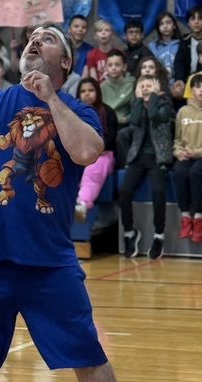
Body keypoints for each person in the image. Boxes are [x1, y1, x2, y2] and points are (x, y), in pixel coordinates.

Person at [0, 23, 117, 382]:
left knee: (88, 355)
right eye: (32, 36)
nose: (34, 40)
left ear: (64, 62)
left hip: (48, 261)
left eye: (47, 39)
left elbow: (86, 151)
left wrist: (51, 100)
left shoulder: (79, 111)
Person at [119, 74, 175, 260]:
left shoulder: (164, 105)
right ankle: (129, 232)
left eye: (149, 85)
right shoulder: (137, 105)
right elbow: (134, 120)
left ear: (158, 88)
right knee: (124, 191)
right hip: (137, 157)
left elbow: (153, 115)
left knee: (158, 191)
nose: (144, 88)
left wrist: (154, 97)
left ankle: (159, 235)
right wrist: (137, 101)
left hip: (158, 157)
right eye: (141, 85)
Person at [74, 78, 118, 222]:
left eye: (91, 90)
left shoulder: (108, 112)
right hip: (77, 153)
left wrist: (96, 149)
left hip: (103, 155)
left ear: (98, 93)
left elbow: (111, 139)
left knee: (93, 169)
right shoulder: (72, 113)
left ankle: (82, 204)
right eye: (83, 91)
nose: (87, 94)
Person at [173, 72, 202, 242]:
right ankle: (185, 217)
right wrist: (178, 152)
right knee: (179, 173)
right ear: (191, 90)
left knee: (195, 173)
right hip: (187, 155)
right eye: (198, 87)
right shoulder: (183, 112)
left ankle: (198, 218)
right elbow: (177, 139)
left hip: (199, 155)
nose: (201, 90)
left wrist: (197, 152)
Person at [148, 11, 189, 97]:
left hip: (179, 84)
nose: (165, 26)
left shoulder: (182, 43)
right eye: (161, 24)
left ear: (174, 25)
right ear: (158, 27)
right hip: (160, 85)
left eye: (168, 23)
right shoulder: (152, 46)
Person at [100, 49, 134, 126]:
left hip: (125, 125)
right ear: (105, 67)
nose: (113, 68)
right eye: (110, 65)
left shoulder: (131, 85)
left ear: (124, 67)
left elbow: (135, 110)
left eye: (117, 65)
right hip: (107, 125)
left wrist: (127, 119)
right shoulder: (102, 87)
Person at [85, 18, 116, 83]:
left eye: (107, 30)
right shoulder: (92, 54)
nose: (103, 33)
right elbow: (93, 78)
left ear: (112, 35)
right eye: (100, 31)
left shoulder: (118, 53)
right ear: (95, 36)